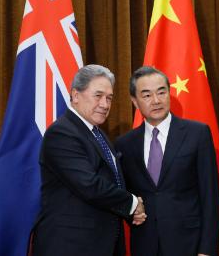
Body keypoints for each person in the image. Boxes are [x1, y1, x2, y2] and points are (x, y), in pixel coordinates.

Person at [32, 64, 146, 256]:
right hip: (70, 246)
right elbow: (89, 185)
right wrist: (133, 204)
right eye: (98, 96)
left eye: (109, 98)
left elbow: (113, 182)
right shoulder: (62, 133)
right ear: (75, 95)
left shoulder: (98, 135)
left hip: (101, 243)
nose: (105, 104)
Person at [115, 66, 219, 256]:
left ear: (169, 94)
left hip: (189, 244)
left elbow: (210, 197)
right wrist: (132, 214)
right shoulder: (124, 144)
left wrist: (207, 250)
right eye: (146, 95)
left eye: (161, 92)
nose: (156, 101)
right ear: (135, 102)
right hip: (144, 245)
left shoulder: (197, 134)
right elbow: (125, 195)